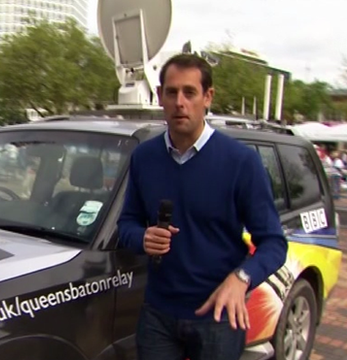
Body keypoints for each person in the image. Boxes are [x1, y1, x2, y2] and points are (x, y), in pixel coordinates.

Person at [117, 53, 287, 360]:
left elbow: (274, 243)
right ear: (160, 97)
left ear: (207, 97)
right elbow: (126, 224)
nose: (180, 102)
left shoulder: (241, 162)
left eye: (190, 92)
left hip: (219, 318)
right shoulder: (144, 157)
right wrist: (142, 238)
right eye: (171, 92)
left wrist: (242, 278)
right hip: (158, 314)